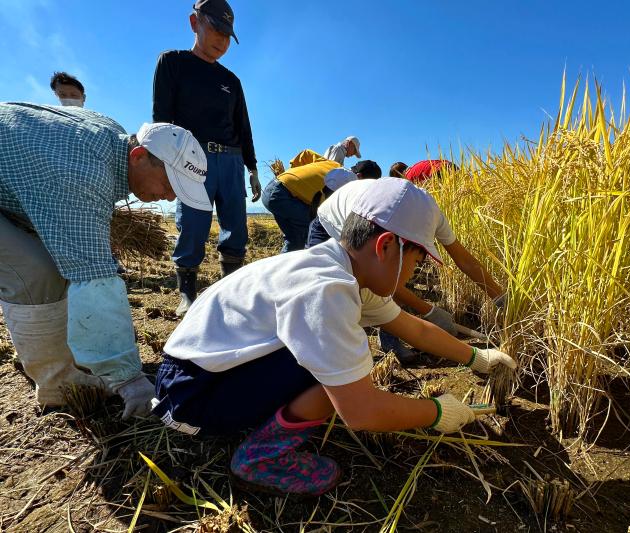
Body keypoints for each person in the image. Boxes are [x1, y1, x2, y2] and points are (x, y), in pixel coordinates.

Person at [151, 178, 516, 496]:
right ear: (386, 246)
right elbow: (361, 411)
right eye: (417, 262)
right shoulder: (327, 290)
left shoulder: (342, 267)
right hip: (192, 396)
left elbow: (413, 327)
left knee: (340, 361)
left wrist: (476, 357)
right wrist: (437, 412)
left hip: (198, 375)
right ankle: (261, 457)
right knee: (341, 371)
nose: (413, 275)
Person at [0, 103, 211, 418]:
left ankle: (44, 350)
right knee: (36, 274)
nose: (169, 197)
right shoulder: (81, 172)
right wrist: (129, 380)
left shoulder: (110, 137)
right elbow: (94, 281)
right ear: (139, 157)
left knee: (54, 263)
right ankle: (59, 386)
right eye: (168, 185)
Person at [308, 178, 506, 363]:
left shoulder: (430, 215)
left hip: (374, 236)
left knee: (389, 282)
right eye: (418, 261)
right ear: (385, 244)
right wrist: (428, 310)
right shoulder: (367, 217)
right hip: (332, 222)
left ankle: (388, 336)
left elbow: (466, 261)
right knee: (356, 298)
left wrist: (500, 297)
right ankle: (369, 350)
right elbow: (381, 281)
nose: (415, 270)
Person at [152, 0, 260, 317]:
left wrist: (252, 167)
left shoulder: (232, 81)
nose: (221, 41)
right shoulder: (172, 62)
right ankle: (187, 293)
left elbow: (244, 126)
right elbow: (162, 118)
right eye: (215, 30)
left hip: (230, 160)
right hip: (190, 156)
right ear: (194, 22)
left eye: (227, 36)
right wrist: (163, 161)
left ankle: (229, 292)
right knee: (193, 228)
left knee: (236, 229)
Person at [263, 150, 340, 252]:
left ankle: (284, 265)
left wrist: (292, 174)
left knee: (294, 238)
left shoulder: (332, 164)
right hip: (283, 196)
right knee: (307, 231)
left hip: (273, 186)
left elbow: (306, 153)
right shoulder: (347, 184)